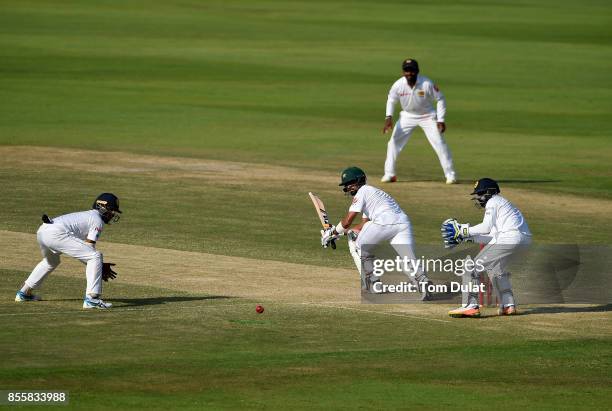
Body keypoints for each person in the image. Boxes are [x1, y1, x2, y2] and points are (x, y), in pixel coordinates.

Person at [321, 166, 431, 299]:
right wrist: (339, 234)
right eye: (346, 185)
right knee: (407, 258)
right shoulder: (374, 193)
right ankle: (423, 282)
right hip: (402, 223)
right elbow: (363, 225)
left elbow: (347, 222)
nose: (348, 187)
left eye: (350, 183)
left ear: (359, 180)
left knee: (358, 245)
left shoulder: (362, 191)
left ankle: (373, 283)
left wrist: (332, 232)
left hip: (384, 221)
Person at [442, 178, 532, 317]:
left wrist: (463, 230)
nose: (478, 198)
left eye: (480, 194)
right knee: (495, 269)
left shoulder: (493, 201)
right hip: (523, 240)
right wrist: (466, 237)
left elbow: (485, 227)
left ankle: (470, 306)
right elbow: (492, 237)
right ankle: (508, 305)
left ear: (489, 192)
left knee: (470, 266)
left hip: (510, 238)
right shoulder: (502, 205)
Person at [15, 193, 122, 309]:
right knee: (95, 256)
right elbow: (89, 250)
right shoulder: (97, 220)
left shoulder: (88, 216)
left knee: (50, 262)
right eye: (111, 210)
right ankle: (92, 299)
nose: (112, 214)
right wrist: (99, 266)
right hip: (57, 233)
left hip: (43, 231)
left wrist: (98, 266)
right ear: (102, 207)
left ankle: (24, 293)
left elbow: (85, 252)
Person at [381, 58, 457, 184]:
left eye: (412, 70)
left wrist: (441, 119)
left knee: (439, 143)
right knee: (393, 143)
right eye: (406, 71)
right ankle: (389, 174)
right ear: (403, 72)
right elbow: (391, 100)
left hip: (427, 116)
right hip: (407, 116)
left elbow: (440, 99)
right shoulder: (398, 85)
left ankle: (450, 175)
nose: (409, 73)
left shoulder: (426, 83)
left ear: (417, 71)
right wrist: (388, 117)